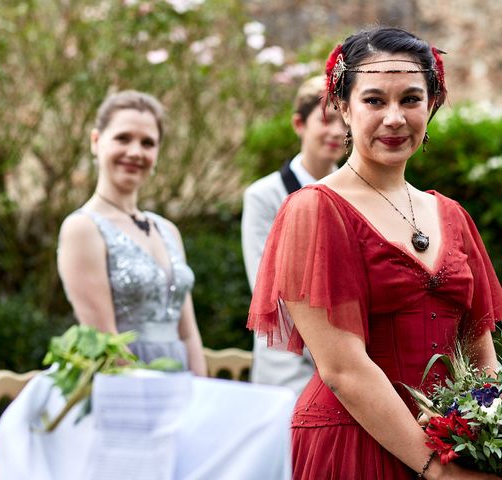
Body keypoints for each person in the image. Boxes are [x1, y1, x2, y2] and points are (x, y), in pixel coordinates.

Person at [248, 26, 502, 479]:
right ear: (342, 107)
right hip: (354, 443)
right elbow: (342, 368)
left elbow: (480, 353)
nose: (394, 118)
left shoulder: (452, 215)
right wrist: (438, 470)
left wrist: (490, 438)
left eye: (410, 99)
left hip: (455, 450)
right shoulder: (315, 210)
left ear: (433, 104)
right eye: (374, 100)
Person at [57, 90, 207, 376]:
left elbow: (188, 334)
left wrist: (200, 394)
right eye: (123, 138)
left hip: (181, 377)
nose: (135, 152)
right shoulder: (83, 229)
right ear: (96, 141)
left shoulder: (168, 231)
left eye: (147, 143)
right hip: (125, 382)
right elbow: (105, 339)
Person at [242, 74, 345, 390]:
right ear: (299, 124)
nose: (338, 132)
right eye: (326, 120)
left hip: (349, 358)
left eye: (345, 122)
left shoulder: (356, 195)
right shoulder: (264, 196)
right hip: (286, 363)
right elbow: (267, 288)